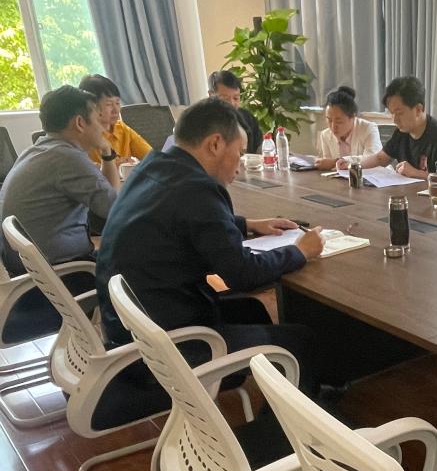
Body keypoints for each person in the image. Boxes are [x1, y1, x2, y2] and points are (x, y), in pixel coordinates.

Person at [94, 98, 324, 390]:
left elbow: (181, 221)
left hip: (129, 330)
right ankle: (289, 418)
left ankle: (281, 395)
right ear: (215, 144)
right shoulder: (198, 189)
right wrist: (299, 251)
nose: (239, 165)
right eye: (239, 152)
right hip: (167, 348)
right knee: (301, 341)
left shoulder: (152, 166)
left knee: (251, 310)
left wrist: (247, 224)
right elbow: (243, 274)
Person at [0, 85, 118, 276]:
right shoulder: (68, 158)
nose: (103, 127)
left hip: (28, 267)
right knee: (141, 261)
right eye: (97, 119)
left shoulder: (39, 150)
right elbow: (116, 210)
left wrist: (107, 153)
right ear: (80, 123)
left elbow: (109, 197)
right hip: (60, 272)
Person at [343, 76, 437, 177]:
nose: (395, 120)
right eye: (392, 113)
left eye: (399, 113)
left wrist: (416, 173)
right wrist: (353, 166)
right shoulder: (402, 132)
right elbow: (381, 158)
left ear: (418, 109)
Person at [78, 74, 152, 166]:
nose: (116, 110)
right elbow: (87, 170)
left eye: (117, 103)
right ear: (92, 106)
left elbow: (151, 157)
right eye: (109, 104)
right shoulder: (83, 137)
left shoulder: (122, 129)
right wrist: (115, 165)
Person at [315, 86, 382, 170]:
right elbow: (329, 166)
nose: (333, 126)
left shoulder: (368, 129)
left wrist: (337, 161)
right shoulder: (325, 135)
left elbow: (373, 159)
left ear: (353, 117)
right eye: (329, 120)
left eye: (339, 121)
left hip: (375, 176)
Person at [208, 69, 263, 154]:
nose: (232, 103)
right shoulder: (203, 124)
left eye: (236, 98)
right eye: (225, 99)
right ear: (211, 95)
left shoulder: (246, 117)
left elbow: (259, 146)